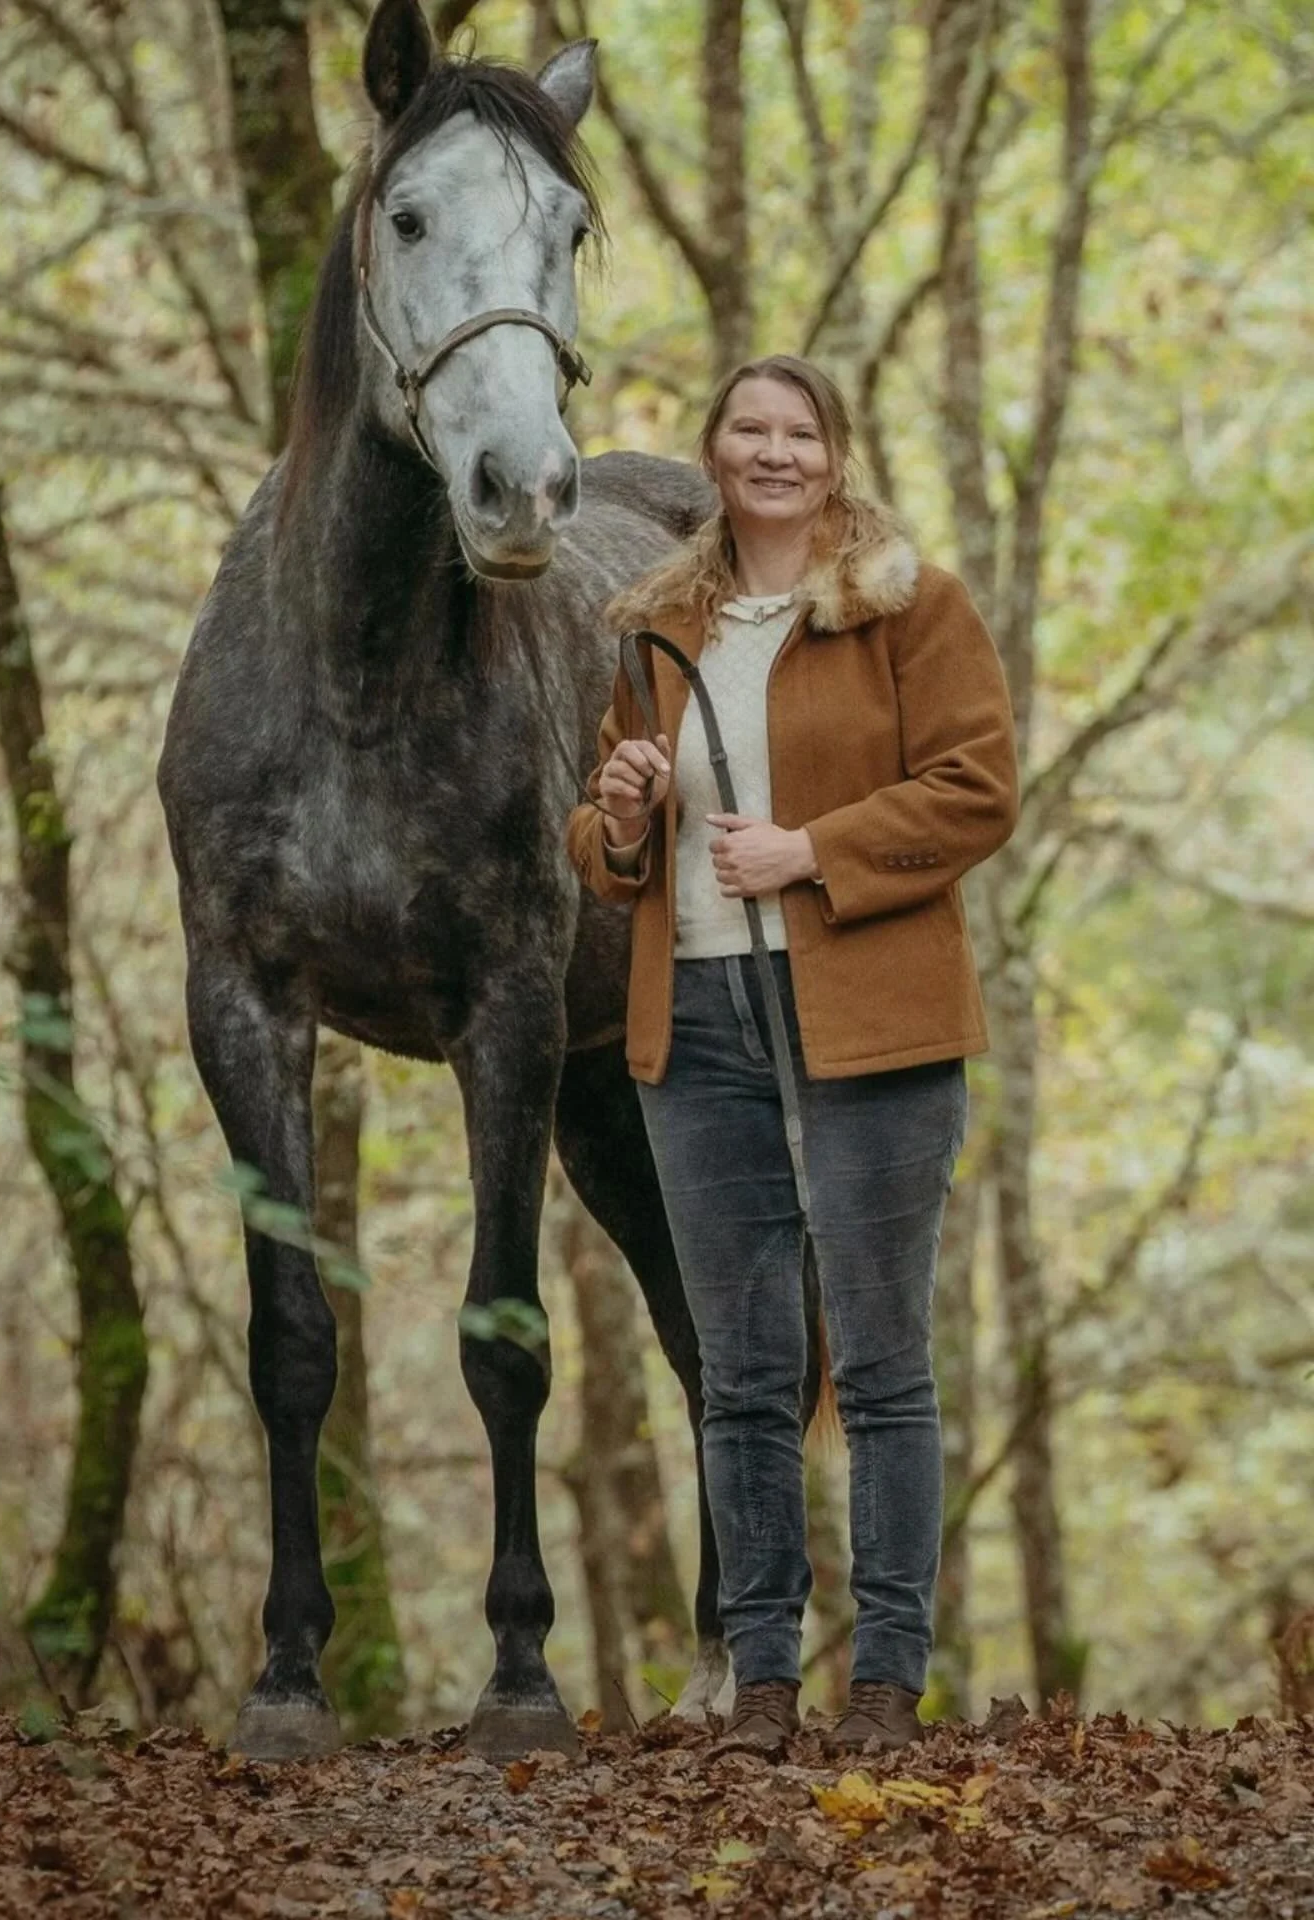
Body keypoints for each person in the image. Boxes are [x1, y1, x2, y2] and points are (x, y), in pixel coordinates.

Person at [565, 355, 1020, 1758]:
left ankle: (885, 1680)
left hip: (873, 1020)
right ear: (712, 455)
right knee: (740, 1370)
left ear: (833, 457)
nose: (773, 455)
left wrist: (812, 852)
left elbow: (979, 787)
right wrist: (626, 809)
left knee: (879, 1365)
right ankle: (758, 1684)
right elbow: (599, 854)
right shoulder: (653, 625)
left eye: (798, 434)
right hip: (693, 1030)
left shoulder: (906, 604)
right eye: (749, 432)